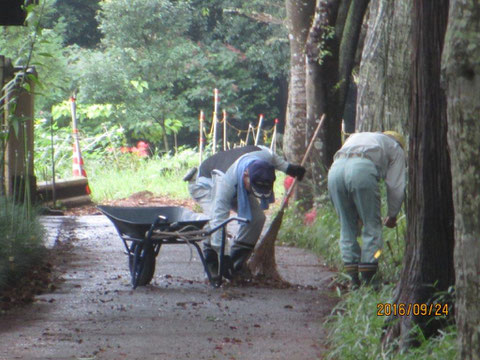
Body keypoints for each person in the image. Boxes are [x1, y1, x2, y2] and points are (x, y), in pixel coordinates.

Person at [184, 146, 306, 278]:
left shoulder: (264, 158)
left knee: (257, 218)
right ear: (246, 175)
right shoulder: (225, 182)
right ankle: (213, 264)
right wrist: (223, 256)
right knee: (212, 222)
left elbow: (271, 156)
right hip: (205, 185)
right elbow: (218, 220)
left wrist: (288, 168)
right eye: (254, 188)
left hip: (238, 185)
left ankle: (237, 262)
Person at [327, 131, 406, 288]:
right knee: (372, 226)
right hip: (362, 170)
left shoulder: (359, 137)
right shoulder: (396, 147)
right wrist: (392, 215)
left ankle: (353, 278)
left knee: (347, 227)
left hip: (335, 170)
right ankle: (370, 278)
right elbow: (395, 185)